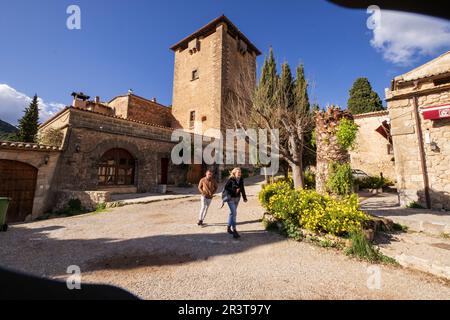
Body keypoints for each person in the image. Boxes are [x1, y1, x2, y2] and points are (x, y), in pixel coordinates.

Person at [224, 168, 248, 239]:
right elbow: (226, 188)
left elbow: (242, 188)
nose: (240, 174)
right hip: (230, 199)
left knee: (232, 213)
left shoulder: (241, 179)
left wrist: (244, 197)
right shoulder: (231, 179)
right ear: (234, 173)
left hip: (237, 199)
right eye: (238, 172)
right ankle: (234, 230)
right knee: (234, 213)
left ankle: (228, 227)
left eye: (240, 172)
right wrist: (234, 191)